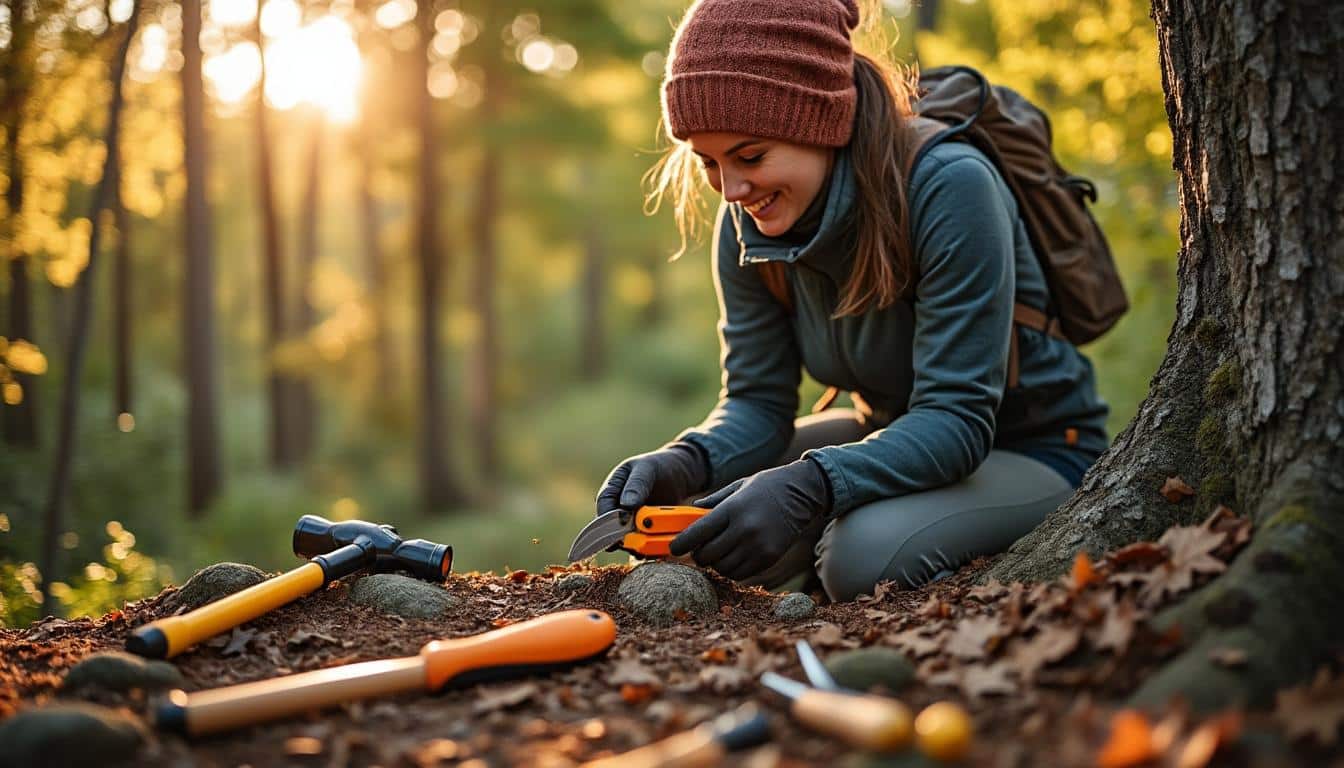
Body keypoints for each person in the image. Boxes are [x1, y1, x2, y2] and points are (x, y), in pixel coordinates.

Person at [595, 0, 1109, 601]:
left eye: (750, 156)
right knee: (691, 508)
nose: (731, 190)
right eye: (707, 162)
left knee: (859, 555)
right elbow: (758, 403)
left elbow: (958, 420)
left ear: (820, 123)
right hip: (890, 433)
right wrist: (689, 459)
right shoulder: (746, 226)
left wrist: (813, 485)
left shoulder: (948, 185)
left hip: (1031, 448)